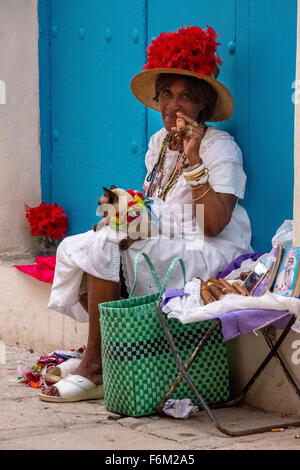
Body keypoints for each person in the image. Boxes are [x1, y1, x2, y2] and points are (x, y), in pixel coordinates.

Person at [39, 25, 252, 402]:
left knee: (109, 248)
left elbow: (215, 225)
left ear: (203, 104)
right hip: (170, 239)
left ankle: (95, 366)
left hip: (210, 250)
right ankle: (107, 352)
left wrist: (193, 159)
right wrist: (121, 215)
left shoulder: (221, 147)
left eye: (186, 96)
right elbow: (158, 206)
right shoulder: (157, 143)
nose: (173, 106)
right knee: (87, 241)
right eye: (166, 94)